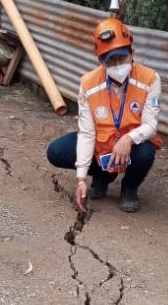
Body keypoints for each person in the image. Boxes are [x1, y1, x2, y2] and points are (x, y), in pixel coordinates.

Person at [47, 17, 162, 214]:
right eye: (110, 59)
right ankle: (102, 177)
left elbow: (151, 126)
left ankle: (130, 187)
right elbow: (87, 133)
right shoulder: (88, 84)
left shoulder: (150, 79)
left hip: (132, 146)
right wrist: (81, 178)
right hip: (102, 144)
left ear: (131, 53)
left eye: (122, 57)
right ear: (101, 61)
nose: (117, 64)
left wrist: (128, 138)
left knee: (146, 151)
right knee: (56, 151)